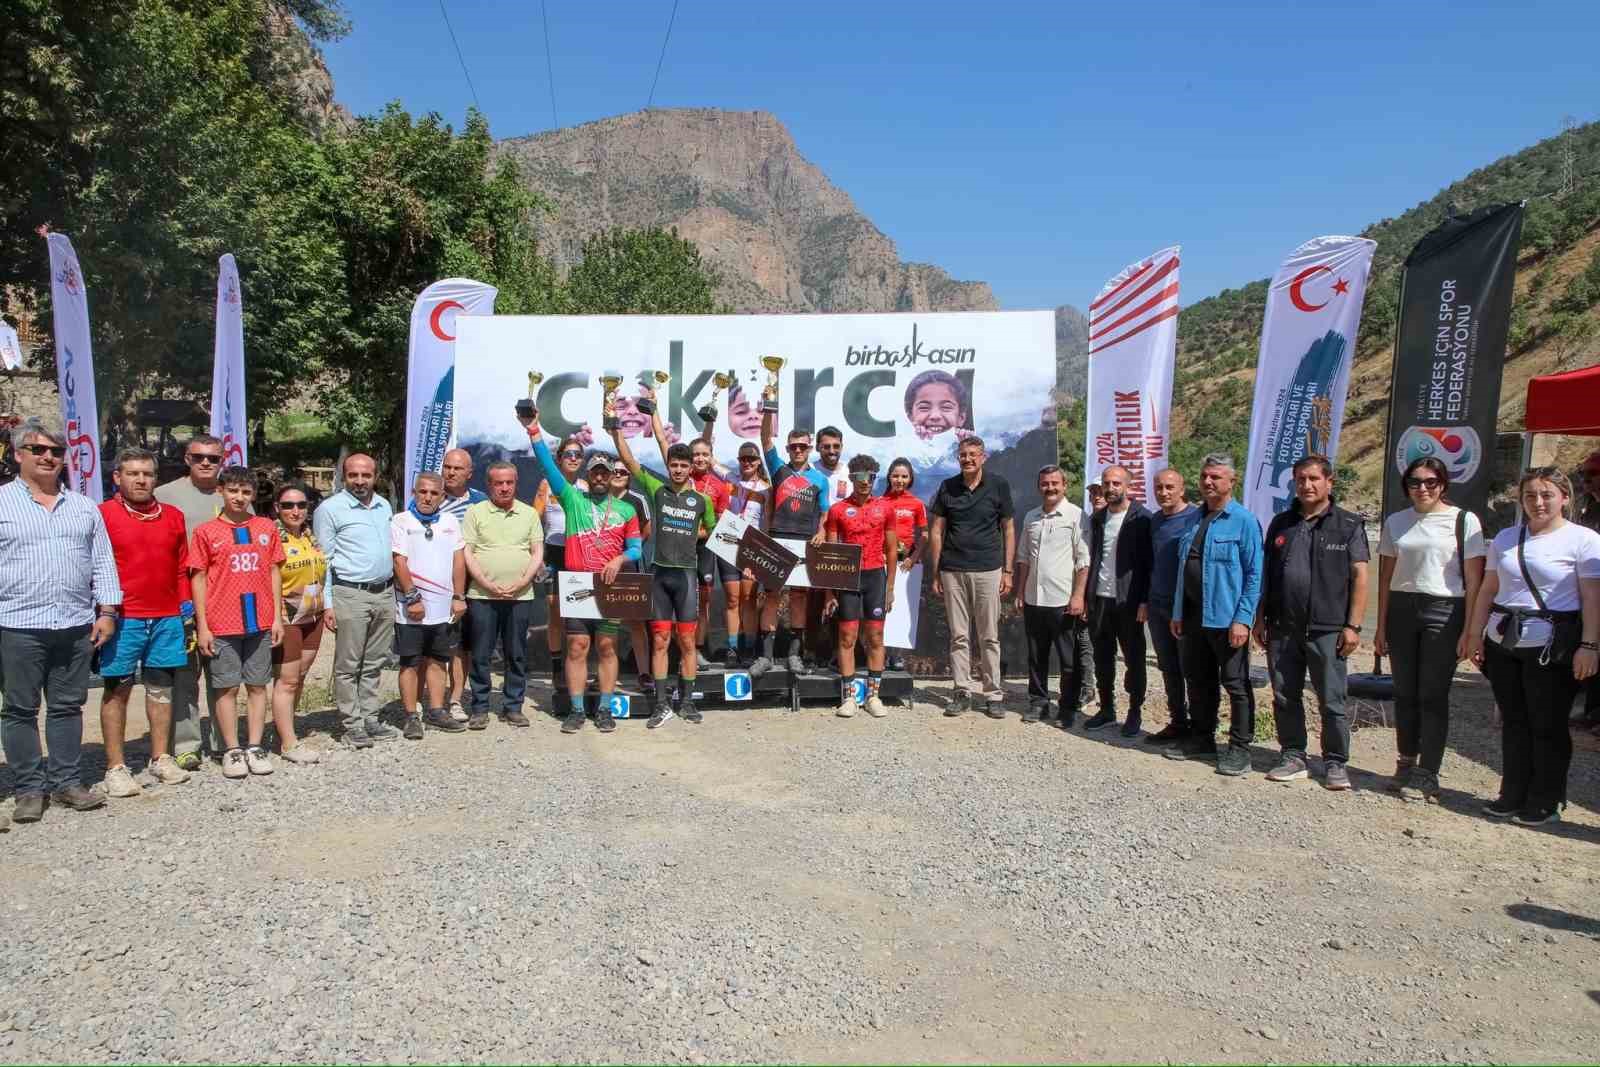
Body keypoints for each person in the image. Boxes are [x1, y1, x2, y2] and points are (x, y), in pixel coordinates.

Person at [1465, 467, 1600, 826]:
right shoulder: (1507, 538)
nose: (1537, 502)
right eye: (1530, 496)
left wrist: (1590, 645)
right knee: (1514, 721)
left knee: (1548, 723)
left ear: (1564, 498)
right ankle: (1512, 793)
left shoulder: (1584, 540)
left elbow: (1591, 598)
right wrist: (1475, 634)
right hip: (1505, 641)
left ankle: (1545, 799)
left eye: (1546, 495)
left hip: (1553, 644)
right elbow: (1488, 591)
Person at [0, 417, 120, 821]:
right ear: (18, 454)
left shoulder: (83, 507)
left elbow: (102, 562)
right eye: (39, 450)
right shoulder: (2, 503)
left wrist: (107, 610)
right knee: (19, 708)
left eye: (56, 451)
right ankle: (29, 790)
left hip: (74, 623)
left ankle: (67, 782)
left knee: (68, 706)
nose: (49, 457)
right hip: (16, 624)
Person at [1372, 456, 1485, 800]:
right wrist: (1380, 627)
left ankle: (1428, 773)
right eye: (1415, 482)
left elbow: (1474, 581)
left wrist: (1470, 631)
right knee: (1405, 692)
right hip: (1403, 609)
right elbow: (1386, 577)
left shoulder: (1464, 521)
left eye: (1430, 482)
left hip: (1444, 610)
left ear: (1443, 484)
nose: (1422, 488)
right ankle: (1406, 761)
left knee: (1432, 695)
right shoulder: (1396, 521)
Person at [1254, 456, 1370, 791]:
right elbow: (1269, 575)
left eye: (1314, 478)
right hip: (1283, 628)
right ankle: (1292, 755)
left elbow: (1361, 576)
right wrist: (1261, 618)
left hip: (1328, 628)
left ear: (1329, 481)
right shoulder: (1281, 523)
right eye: (1300, 479)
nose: (1306, 485)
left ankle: (1335, 761)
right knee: (1285, 695)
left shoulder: (1347, 524)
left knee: (1332, 699)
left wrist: (1354, 626)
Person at [524, 409, 641, 735]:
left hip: (610, 584)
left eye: (606, 472)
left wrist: (619, 561)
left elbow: (636, 549)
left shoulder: (626, 510)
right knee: (577, 647)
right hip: (577, 582)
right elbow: (548, 464)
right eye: (597, 472)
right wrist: (533, 429)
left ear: (611, 475)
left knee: (606, 647)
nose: (602, 477)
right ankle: (576, 710)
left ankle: (603, 708)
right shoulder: (573, 499)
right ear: (590, 475)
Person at [612, 397, 716, 727]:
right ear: (669, 466)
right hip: (659, 576)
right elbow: (630, 464)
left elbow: (713, 532)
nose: (680, 469)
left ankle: (686, 701)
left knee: (687, 641)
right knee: (660, 639)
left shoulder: (702, 500)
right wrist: (616, 433)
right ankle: (660, 704)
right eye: (675, 464)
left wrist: (693, 535)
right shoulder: (656, 489)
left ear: (691, 468)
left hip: (686, 577)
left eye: (685, 465)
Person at [96, 448, 193, 797]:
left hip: (167, 617)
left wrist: (185, 604)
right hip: (124, 618)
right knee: (117, 690)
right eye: (133, 473)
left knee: (161, 689)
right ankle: (116, 767)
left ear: (156, 478)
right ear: (117, 478)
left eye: (147, 474)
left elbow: (182, 564)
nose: (140, 480)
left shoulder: (173, 515)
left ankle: (160, 757)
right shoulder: (103, 514)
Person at [1165, 453, 1262, 777]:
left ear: (1231, 481)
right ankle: (1202, 738)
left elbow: (1254, 575)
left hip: (1226, 618)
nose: (1208, 482)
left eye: (1215, 477)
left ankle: (1240, 748)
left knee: (1235, 684)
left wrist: (1243, 619)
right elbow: (1182, 569)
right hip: (1193, 617)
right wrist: (1178, 611)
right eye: (1205, 476)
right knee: (1198, 680)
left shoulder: (1244, 521)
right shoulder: (1194, 519)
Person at [189, 465, 285, 780]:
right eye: (233, 491)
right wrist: (202, 624)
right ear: (221, 491)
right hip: (221, 623)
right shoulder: (206, 532)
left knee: (258, 685)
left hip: (259, 622)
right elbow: (198, 577)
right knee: (226, 688)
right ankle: (231, 749)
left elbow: (274, 572)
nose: (239, 497)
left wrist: (276, 616)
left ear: (253, 495)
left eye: (245, 492)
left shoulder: (266, 528)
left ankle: (255, 745)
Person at [154, 433, 231, 769]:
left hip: (225, 598)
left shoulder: (232, 495)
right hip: (183, 598)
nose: (205, 463)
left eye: (213, 458)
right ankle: (186, 743)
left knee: (223, 675)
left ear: (221, 461)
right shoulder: (165, 495)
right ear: (187, 458)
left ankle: (222, 741)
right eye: (198, 456)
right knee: (185, 675)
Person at [312, 452, 397, 748]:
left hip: (384, 593)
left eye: (366, 475)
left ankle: (370, 717)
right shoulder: (330, 509)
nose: (360, 481)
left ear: (375, 477)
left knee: (374, 662)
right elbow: (324, 560)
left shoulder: (384, 505)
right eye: (353, 475)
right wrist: (328, 603)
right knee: (348, 664)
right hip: (350, 593)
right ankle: (351, 724)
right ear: (343, 477)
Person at [930, 436, 1015, 718]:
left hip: (989, 569)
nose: (968, 459)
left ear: (983, 456)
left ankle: (993, 694)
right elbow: (936, 532)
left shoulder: (999, 485)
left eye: (973, 454)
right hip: (952, 569)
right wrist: (936, 572)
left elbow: (1009, 529)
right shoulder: (948, 487)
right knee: (959, 635)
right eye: (963, 455)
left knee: (989, 636)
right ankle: (962, 691)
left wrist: (1008, 570)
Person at [461, 460, 544, 729]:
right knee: (481, 654)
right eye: (499, 483)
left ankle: (513, 707)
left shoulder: (529, 514)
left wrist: (521, 582)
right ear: (489, 485)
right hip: (482, 595)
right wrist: (485, 582)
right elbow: (467, 553)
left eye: (509, 483)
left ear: (516, 484)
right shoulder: (475, 512)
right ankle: (480, 708)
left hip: (520, 596)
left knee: (516, 653)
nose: (505, 488)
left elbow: (537, 553)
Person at [752, 415, 831, 677]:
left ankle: (794, 655)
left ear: (810, 448)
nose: (798, 450)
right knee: (772, 596)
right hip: (777, 538)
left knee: (799, 598)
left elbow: (824, 513)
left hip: (804, 542)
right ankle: (765, 656)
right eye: (793, 446)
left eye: (803, 446)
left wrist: (821, 531)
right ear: (787, 449)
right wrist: (768, 409)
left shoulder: (820, 479)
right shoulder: (777, 469)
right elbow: (765, 439)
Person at [392, 472, 469, 739]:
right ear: (414, 493)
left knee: (438, 660)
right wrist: (412, 597)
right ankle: (411, 715)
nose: (427, 497)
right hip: (411, 607)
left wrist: (459, 597)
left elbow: (458, 560)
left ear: (442, 497)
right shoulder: (401, 520)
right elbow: (398, 561)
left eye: (434, 493)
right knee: (411, 662)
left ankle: (436, 710)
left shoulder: (449, 521)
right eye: (422, 492)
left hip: (443, 606)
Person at [823, 454, 898, 717]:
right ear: (852, 478)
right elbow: (831, 553)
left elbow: (891, 551)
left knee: (875, 637)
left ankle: (874, 696)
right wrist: (830, 592)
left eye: (870, 477)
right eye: (859, 477)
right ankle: (849, 698)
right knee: (847, 637)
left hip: (875, 576)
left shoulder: (885, 508)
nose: (865, 482)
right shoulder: (838, 510)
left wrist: (890, 588)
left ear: (875, 478)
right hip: (848, 578)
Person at [1014, 464, 1089, 726]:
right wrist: (1021, 591)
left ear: (1064, 485)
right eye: (1045, 484)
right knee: (1036, 656)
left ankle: (1068, 707)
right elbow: (1023, 558)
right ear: (1039, 487)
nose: (1050, 488)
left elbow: (1083, 560)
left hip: (1063, 600)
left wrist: (1079, 596)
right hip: (1035, 598)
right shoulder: (1030, 517)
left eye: (1055, 483)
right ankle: (1039, 702)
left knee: (1069, 659)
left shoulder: (1076, 516)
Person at [1083, 465, 1153, 736]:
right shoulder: (1097, 519)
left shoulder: (1142, 519)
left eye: (1115, 483)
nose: (1110, 488)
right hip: (1100, 599)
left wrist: (1145, 600)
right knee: (1102, 656)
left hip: (1129, 602)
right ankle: (1107, 708)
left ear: (1128, 486)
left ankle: (1135, 711)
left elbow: (1149, 564)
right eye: (1106, 483)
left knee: (1134, 658)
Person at [699, 409, 767, 667]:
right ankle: (732, 648)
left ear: (758, 462)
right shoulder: (730, 476)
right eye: (743, 459)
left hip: (752, 545)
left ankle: (748, 647)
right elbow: (708, 453)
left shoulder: (767, 489)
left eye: (751, 459)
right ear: (739, 460)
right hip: (728, 540)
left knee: (749, 599)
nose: (747, 462)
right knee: (731, 598)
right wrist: (709, 423)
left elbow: (767, 521)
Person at [269, 481, 326, 764]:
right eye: (288, 505)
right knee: (287, 681)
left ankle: (284, 731)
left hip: (312, 616)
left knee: (299, 676)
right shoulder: (273, 538)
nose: (295, 510)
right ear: (277, 508)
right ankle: (289, 744)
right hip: (287, 617)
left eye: (301, 505)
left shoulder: (307, 537)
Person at [1143, 468, 1200, 744]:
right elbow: (1149, 564)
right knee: (1168, 667)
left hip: (1186, 608)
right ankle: (1178, 721)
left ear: (1182, 488)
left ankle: (1200, 729)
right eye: (1159, 488)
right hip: (1158, 605)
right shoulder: (1154, 521)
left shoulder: (1197, 517)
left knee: (1191, 668)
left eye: (1169, 487)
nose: (1163, 493)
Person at [439, 448, 487, 722]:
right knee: (431, 643)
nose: (451, 472)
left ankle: (455, 698)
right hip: (433, 582)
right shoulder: (428, 497)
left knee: (461, 645)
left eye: (458, 468)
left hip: (468, 583)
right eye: (447, 467)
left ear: (469, 473)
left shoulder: (480, 502)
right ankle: (429, 697)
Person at [536, 434, 586, 694]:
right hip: (555, 552)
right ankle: (557, 668)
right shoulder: (547, 485)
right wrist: (538, 557)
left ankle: (577, 666)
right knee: (555, 610)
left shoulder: (587, 487)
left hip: (580, 555)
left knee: (579, 613)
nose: (574, 458)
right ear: (559, 458)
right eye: (569, 454)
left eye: (578, 454)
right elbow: (535, 519)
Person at [685, 433, 732, 671]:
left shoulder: (720, 486)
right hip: (680, 548)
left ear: (712, 458)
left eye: (705, 454)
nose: (700, 458)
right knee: (683, 600)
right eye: (696, 454)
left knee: (703, 601)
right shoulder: (681, 479)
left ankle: (699, 649)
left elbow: (720, 521)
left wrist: (699, 534)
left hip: (704, 547)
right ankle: (685, 650)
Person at [880, 458, 927, 672]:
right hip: (881, 560)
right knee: (881, 607)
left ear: (910, 479)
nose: (899, 480)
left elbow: (924, 535)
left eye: (904, 476)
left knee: (900, 610)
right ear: (889, 477)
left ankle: (896, 656)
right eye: (895, 475)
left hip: (905, 562)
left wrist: (913, 558)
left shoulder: (917, 504)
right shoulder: (879, 501)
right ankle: (878, 652)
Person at [1576, 451, 1600, 731]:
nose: (1585, 481)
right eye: (1582, 475)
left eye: (1591, 475)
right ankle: (1592, 710)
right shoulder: (1589, 509)